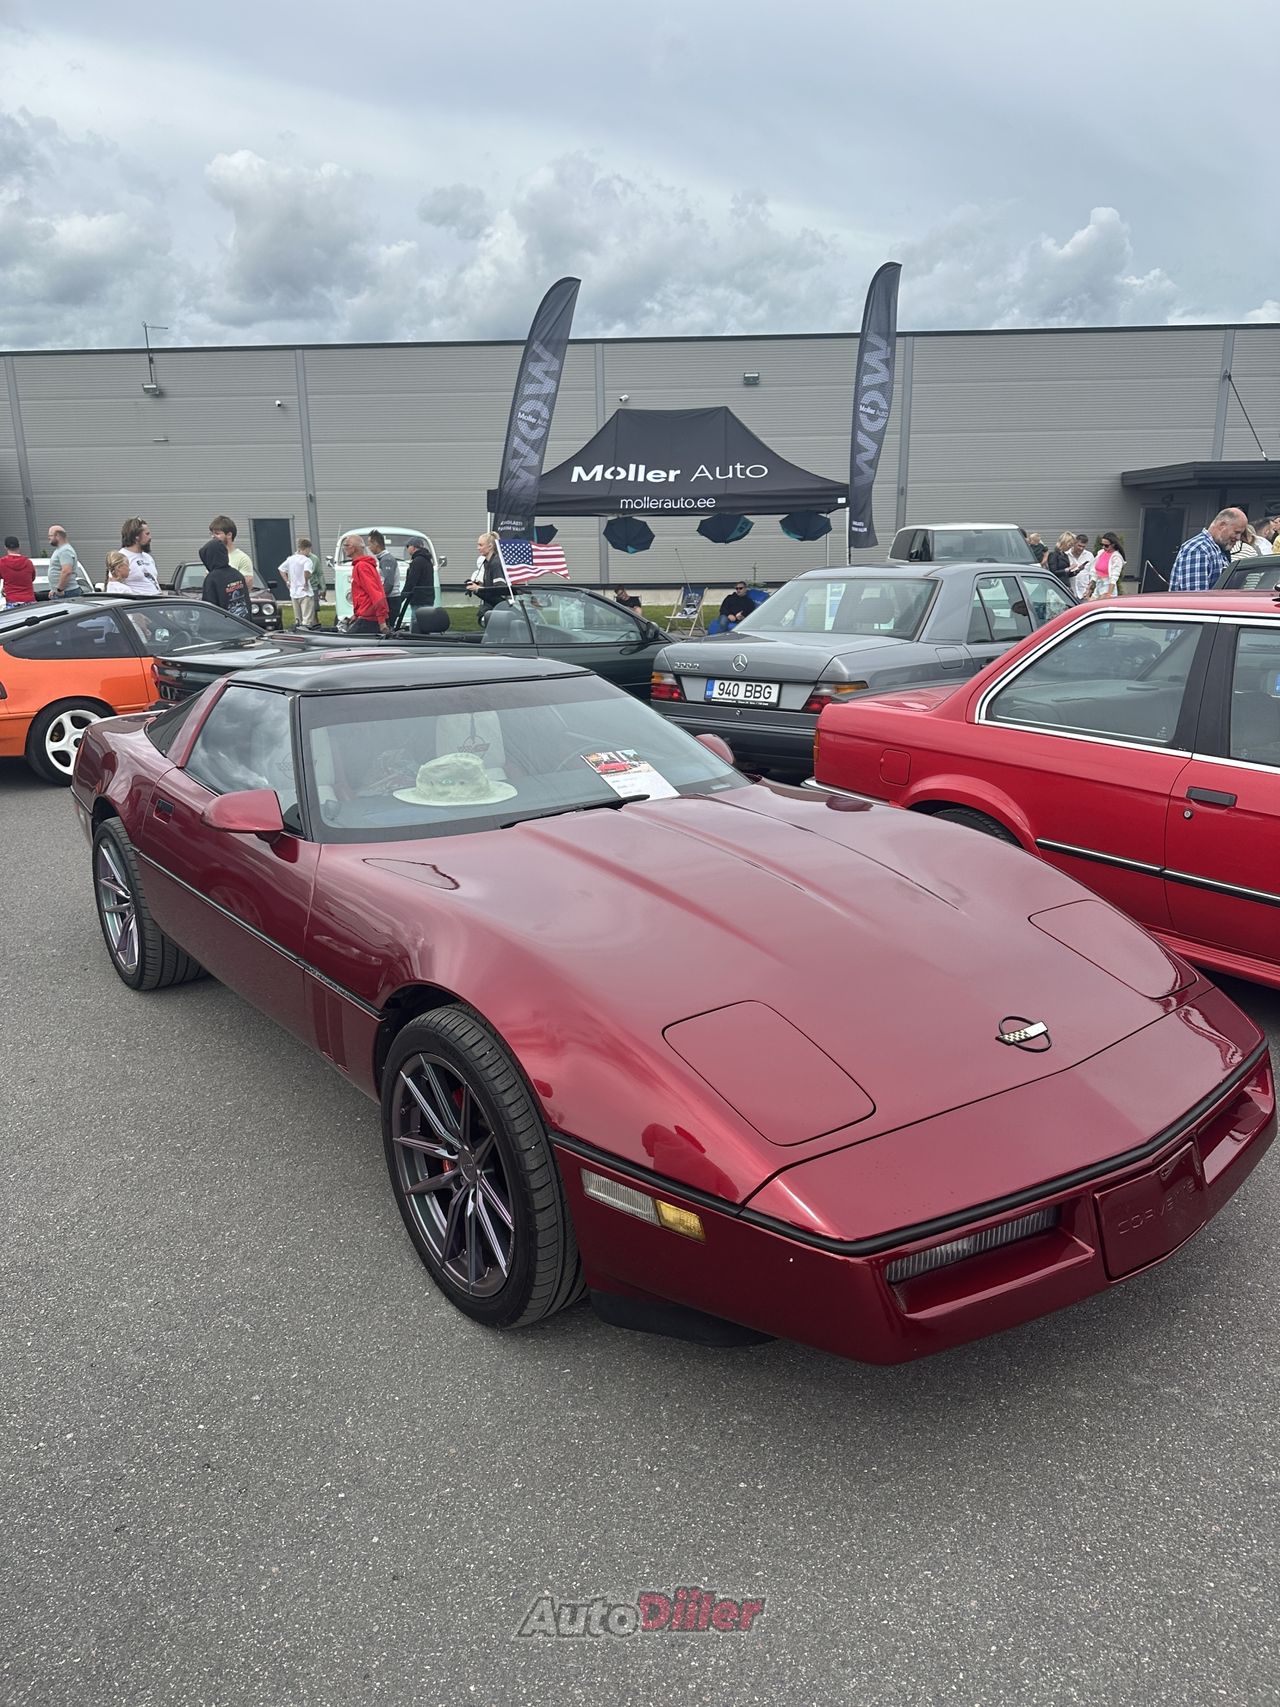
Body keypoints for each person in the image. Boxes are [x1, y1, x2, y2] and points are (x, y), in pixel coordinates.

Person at [1168, 508, 1248, 592]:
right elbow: (1196, 598)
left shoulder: (1217, 549)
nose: (1238, 538)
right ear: (1222, 525)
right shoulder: (1199, 550)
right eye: (1236, 532)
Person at [199, 539, 252, 619]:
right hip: (243, 624)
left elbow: (209, 609)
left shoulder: (212, 579)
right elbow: (247, 601)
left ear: (210, 557)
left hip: (224, 627)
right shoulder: (237, 574)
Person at [346, 535, 389, 635]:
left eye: (346, 545)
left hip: (368, 618)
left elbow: (376, 593)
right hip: (367, 616)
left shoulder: (362, 567)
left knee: (346, 643)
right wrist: (356, 615)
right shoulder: (364, 565)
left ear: (353, 547)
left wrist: (382, 622)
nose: (345, 548)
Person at [467, 532, 510, 618]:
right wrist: (477, 585)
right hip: (492, 607)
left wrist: (479, 588)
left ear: (490, 546)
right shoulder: (487, 563)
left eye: (480, 545)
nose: (478, 548)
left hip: (499, 610)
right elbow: (490, 586)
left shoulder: (496, 563)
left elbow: (500, 589)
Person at [209, 515, 255, 590]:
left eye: (217, 533)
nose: (213, 536)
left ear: (229, 535)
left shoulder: (242, 558)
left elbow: (247, 584)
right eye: (212, 534)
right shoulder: (213, 557)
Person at [119, 517, 162, 595]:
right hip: (139, 605)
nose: (150, 537)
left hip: (155, 602)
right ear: (136, 537)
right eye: (147, 534)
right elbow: (114, 585)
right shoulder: (121, 557)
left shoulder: (148, 558)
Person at [399, 538, 437, 626]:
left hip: (419, 599)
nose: (407, 548)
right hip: (428, 597)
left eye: (408, 546)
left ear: (414, 547)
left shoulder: (417, 561)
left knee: (417, 624)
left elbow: (411, 581)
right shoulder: (427, 560)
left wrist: (402, 597)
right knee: (426, 623)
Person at [279, 542, 315, 629]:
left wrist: (287, 581)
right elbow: (306, 571)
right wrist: (306, 582)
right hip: (305, 592)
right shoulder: (307, 560)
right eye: (309, 549)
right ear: (306, 549)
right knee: (307, 617)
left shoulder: (290, 559)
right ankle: (306, 631)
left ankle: (298, 630)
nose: (309, 552)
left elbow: (281, 569)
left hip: (294, 592)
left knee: (297, 618)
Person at [45, 525, 84, 598]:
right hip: (64, 591)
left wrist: (59, 589)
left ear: (57, 535)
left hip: (67, 593)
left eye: (50, 535)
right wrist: (54, 589)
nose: (48, 538)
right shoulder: (61, 550)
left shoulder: (65, 551)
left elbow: (66, 571)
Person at [0, 536, 36, 606]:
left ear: (5, 547)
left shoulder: (1, 563)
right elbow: (32, 578)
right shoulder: (28, 562)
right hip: (29, 601)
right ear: (19, 546)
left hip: (12, 601)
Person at [1089, 532, 1125, 599]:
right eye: (1102, 544)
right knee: (1090, 606)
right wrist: (1090, 586)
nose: (1103, 547)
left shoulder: (1116, 557)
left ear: (1113, 545)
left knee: (1098, 605)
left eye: (1106, 545)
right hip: (1099, 584)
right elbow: (1094, 570)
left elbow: (1114, 577)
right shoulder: (1101, 552)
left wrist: (1109, 594)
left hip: (1107, 585)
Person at [369, 530, 399, 603]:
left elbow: (389, 583)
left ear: (376, 544)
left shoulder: (386, 560)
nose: (369, 547)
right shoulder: (383, 559)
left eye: (370, 544)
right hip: (390, 598)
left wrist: (379, 598)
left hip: (390, 599)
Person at [1066, 534, 1095, 600]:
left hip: (1084, 594)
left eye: (1083, 546)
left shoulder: (1089, 555)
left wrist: (1089, 590)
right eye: (1079, 545)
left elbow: (1093, 574)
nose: (1081, 548)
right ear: (1074, 543)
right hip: (1068, 593)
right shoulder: (1066, 555)